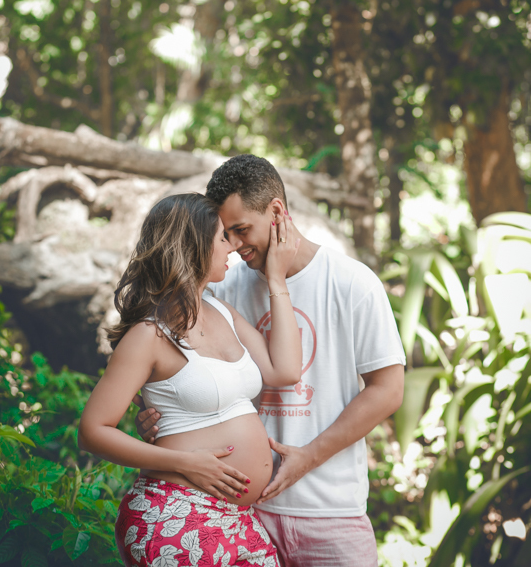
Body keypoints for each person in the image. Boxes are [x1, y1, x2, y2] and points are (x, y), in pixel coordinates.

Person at [136, 155, 406, 567]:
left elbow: (388, 391)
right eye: (226, 234)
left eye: (242, 230)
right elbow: (177, 370)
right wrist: (157, 413)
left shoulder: (354, 283)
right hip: (240, 514)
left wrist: (308, 457)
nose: (235, 246)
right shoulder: (223, 287)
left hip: (331, 511)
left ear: (277, 211)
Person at [79, 192, 303, 567]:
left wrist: (276, 279)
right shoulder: (149, 335)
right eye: (220, 237)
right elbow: (93, 430)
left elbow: (285, 370)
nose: (231, 246)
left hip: (239, 522)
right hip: (175, 513)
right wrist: (184, 462)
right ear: (194, 247)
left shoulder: (221, 310)